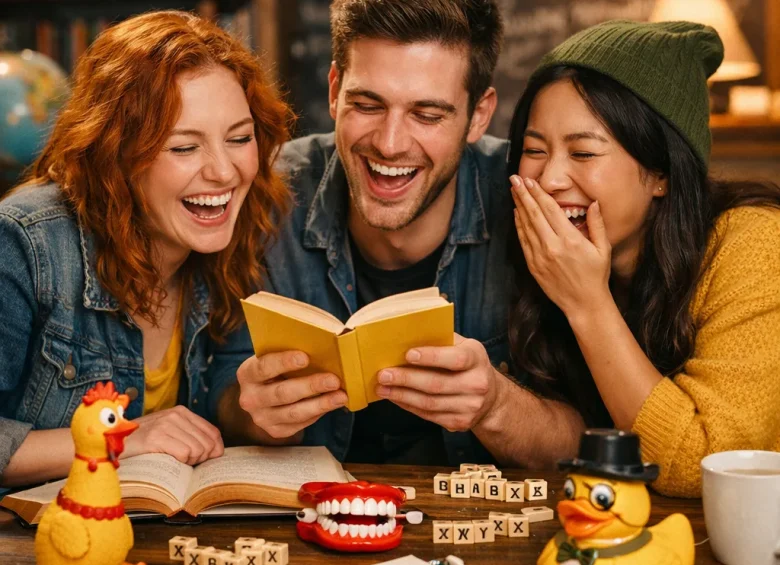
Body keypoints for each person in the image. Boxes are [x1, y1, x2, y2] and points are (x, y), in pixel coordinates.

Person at [214, 0, 578, 467]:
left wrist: (496, 405)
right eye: (367, 105)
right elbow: (220, 389)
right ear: (333, 91)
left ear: (480, 115)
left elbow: (587, 437)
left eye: (427, 115)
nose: (389, 143)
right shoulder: (264, 191)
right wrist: (256, 415)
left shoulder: (533, 204)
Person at [0, 10, 293, 487]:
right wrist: (123, 438)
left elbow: (226, 388)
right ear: (115, 154)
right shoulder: (24, 241)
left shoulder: (237, 230)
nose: (224, 172)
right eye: (184, 148)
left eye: (240, 138)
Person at [505, 20, 780, 496]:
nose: (549, 179)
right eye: (534, 150)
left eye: (584, 153)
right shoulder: (536, 255)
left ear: (660, 174)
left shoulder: (754, 244)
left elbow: (704, 465)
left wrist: (587, 304)